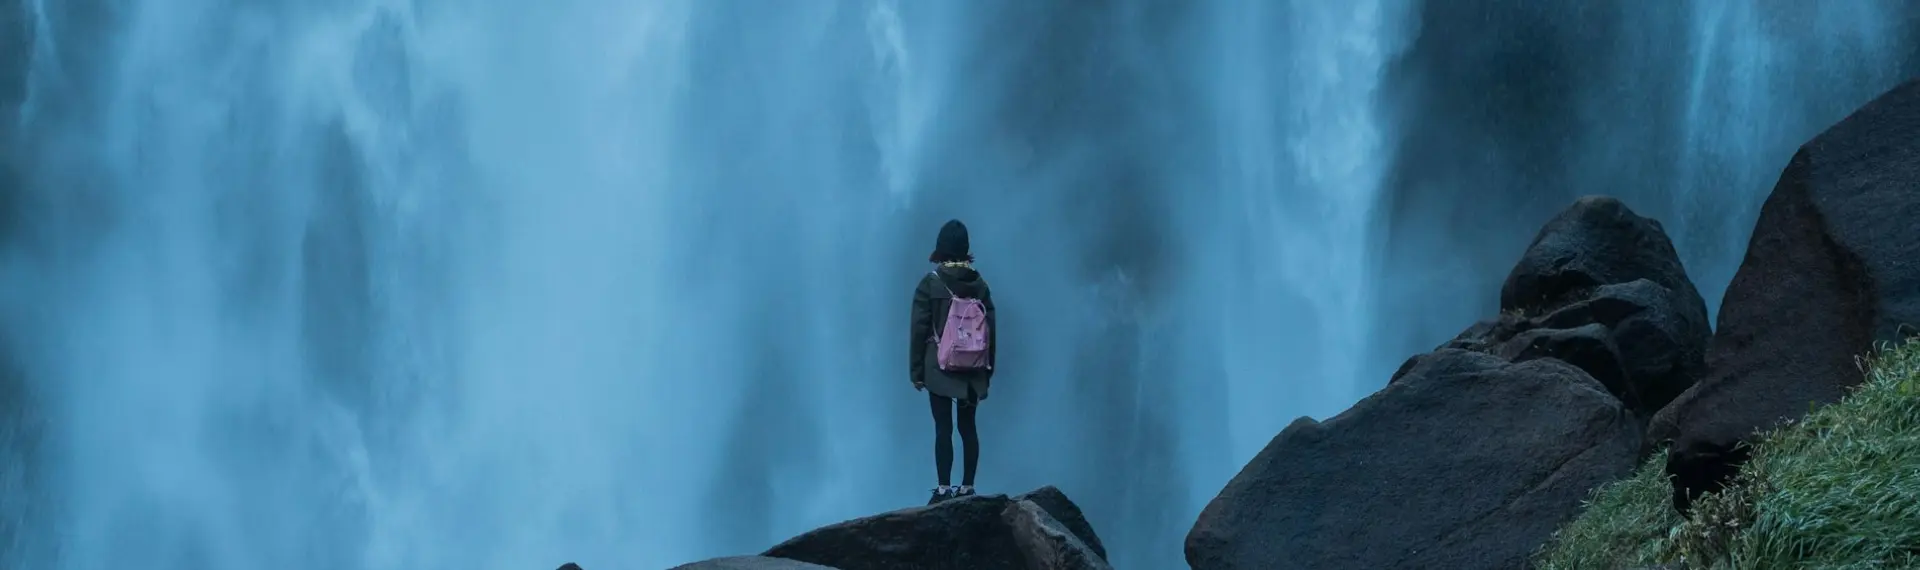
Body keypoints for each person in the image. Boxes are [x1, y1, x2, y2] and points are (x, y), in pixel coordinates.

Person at [909, 219, 997, 504]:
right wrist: (988, 369)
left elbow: (919, 329)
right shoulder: (980, 285)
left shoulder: (930, 284)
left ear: (941, 250)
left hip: (940, 367)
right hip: (973, 367)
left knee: (943, 427)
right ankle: (968, 486)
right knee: (968, 427)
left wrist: (916, 372)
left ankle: (944, 489)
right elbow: (991, 330)